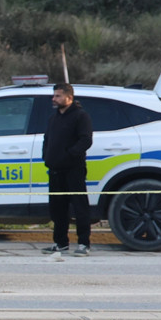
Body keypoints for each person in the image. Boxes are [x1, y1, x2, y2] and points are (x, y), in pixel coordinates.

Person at [43, 81, 95, 258]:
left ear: (69, 97)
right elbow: (47, 140)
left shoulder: (81, 116)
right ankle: (60, 243)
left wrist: (69, 155)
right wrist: (47, 157)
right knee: (57, 209)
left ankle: (83, 243)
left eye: (58, 96)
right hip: (55, 170)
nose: (54, 99)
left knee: (80, 207)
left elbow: (85, 140)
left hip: (74, 169)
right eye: (54, 95)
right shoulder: (53, 117)